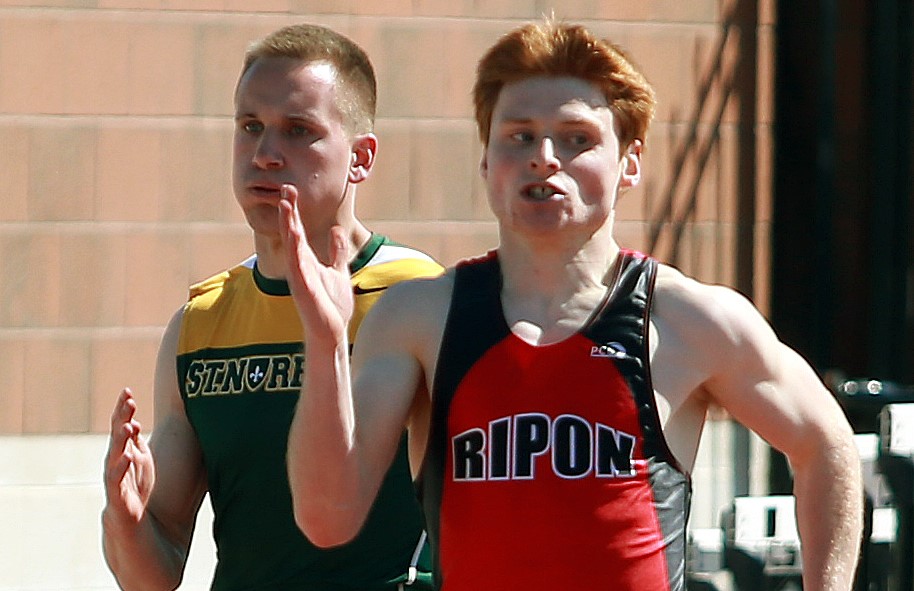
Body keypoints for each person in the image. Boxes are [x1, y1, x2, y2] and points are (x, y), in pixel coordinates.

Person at [282, 18, 863, 591]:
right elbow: (328, 519)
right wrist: (327, 343)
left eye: (577, 138)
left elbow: (825, 444)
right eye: (520, 135)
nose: (544, 157)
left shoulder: (689, 319)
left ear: (628, 163)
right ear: (487, 161)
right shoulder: (420, 318)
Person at [101, 23, 441, 591]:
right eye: (250, 127)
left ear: (361, 157)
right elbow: (153, 575)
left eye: (297, 130)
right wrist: (125, 517)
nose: (264, 154)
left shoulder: (419, 296)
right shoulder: (201, 323)